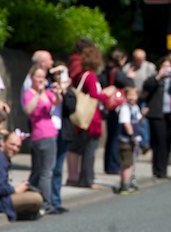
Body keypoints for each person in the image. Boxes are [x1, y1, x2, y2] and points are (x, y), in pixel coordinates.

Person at [67, 46, 115, 189]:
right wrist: (107, 93)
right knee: (89, 149)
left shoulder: (81, 75)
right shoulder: (91, 76)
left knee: (81, 147)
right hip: (91, 117)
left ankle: (79, 177)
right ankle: (87, 179)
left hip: (83, 116)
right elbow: (95, 95)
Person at [23, 66, 62, 214]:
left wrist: (58, 92)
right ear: (31, 78)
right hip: (40, 135)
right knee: (46, 171)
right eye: (37, 77)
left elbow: (57, 101)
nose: (40, 80)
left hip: (50, 133)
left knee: (40, 170)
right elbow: (29, 110)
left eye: (42, 77)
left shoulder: (47, 93)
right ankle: (46, 203)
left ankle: (32, 199)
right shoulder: (29, 94)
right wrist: (38, 93)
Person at [143, 57, 171, 179]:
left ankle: (164, 170)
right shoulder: (155, 79)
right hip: (157, 114)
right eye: (164, 66)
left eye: (169, 66)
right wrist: (159, 76)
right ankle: (158, 170)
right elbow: (147, 87)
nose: (167, 69)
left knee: (168, 141)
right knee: (159, 142)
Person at [100, 48, 134, 175]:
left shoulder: (105, 71)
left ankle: (109, 164)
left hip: (108, 106)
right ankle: (113, 165)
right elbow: (129, 84)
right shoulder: (117, 72)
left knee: (110, 137)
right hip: (116, 106)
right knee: (115, 137)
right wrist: (130, 77)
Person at [49, 61, 75, 214]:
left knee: (57, 168)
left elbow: (71, 108)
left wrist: (64, 90)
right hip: (47, 132)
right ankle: (46, 200)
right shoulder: (46, 87)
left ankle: (55, 201)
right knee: (47, 169)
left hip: (62, 132)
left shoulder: (69, 92)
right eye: (56, 74)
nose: (58, 77)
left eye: (62, 74)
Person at [0, 131, 43, 221]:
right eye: (12, 144)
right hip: (2, 200)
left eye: (18, 146)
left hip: (4, 196)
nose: (15, 148)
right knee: (36, 198)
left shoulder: (4, 159)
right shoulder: (1, 160)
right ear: (3, 143)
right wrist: (15, 189)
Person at [123, 48, 157, 152]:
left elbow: (154, 80)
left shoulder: (150, 67)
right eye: (137, 59)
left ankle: (144, 143)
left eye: (141, 59)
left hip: (144, 97)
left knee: (143, 120)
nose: (139, 61)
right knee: (132, 120)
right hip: (131, 98)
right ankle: (135, 141)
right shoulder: (128, 67)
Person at [117, 87, 143, 194]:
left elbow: (138, 121)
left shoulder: (136, 108)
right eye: (130, 95)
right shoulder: (125, 108)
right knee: (126, 163)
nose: (132, 98)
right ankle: (124, 184)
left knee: (132, 162)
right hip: (126, 140)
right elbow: (126, 123)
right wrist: (132, 135)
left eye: (134, 95)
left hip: (134, 139)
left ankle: (130, 182)